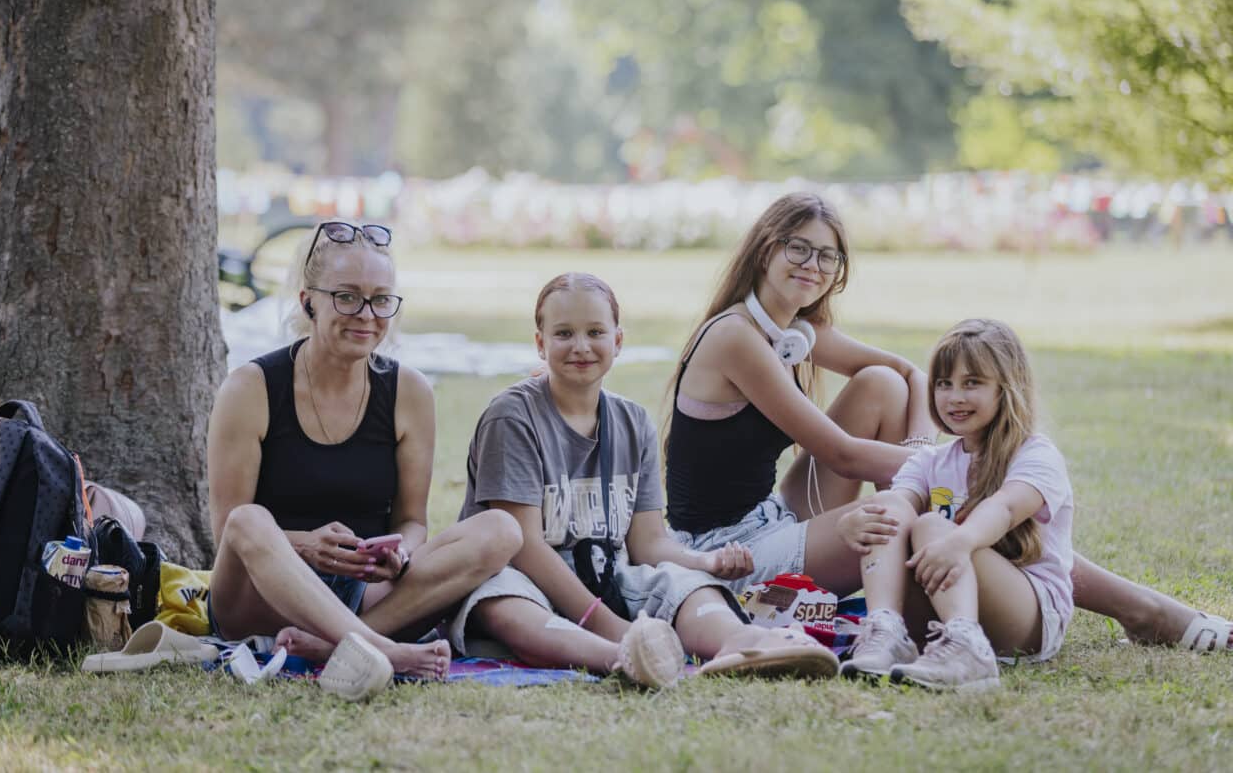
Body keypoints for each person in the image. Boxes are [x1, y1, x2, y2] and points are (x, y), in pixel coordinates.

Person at [665, 192, 1231, 654]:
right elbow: (840, 455)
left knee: (881, 390)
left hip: (771, 517)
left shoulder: (795, 330)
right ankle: (1144, 609)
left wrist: (927, 456)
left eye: (827, 257)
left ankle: (947, 552)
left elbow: (907, 373)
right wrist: (956, 472)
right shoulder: (737, 336)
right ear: (766, 249)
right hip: (723, 551)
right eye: (798, 249)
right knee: (912, 513)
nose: (812, 266)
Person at [447, 273, 840, 688]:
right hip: (521, 575)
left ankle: (743, 642)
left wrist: (704, 562)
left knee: (682, 582)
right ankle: (625, 656)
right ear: (540, 343)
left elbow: (648, 543)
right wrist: (608, 624)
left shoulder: (633, 422)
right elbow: (524, 547)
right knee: (504, 605)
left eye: (595, 332)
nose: (581, 346)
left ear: (617, 341)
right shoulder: (512, 417)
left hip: (606, 574)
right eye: (563, 333)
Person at [206, 220, 523, 696]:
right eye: (347, 297)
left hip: (362, 592)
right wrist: (306, 546)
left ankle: (332, 644)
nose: (366, 315)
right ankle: (383, 649)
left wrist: (400, 554)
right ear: (307, 299)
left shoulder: (409, 392)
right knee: (251, 520)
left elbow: (413, 521)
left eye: (380, 299)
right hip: (259, 596)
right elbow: (229, 528)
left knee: (502, 530)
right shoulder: (250, 388)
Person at [841, 319, 1072, 690]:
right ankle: (885, 630)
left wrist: (960, 541)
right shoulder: (929, 461)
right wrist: (857, 521)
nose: (955, 397)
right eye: (944, 384)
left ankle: (969, 649)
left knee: (931, 526)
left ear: (1007, 388)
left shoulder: (1035, 454)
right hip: (941, 609)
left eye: (972, 383)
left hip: (1028, 617)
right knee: (886, 509)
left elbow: (1007, 507)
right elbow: (897, 505)